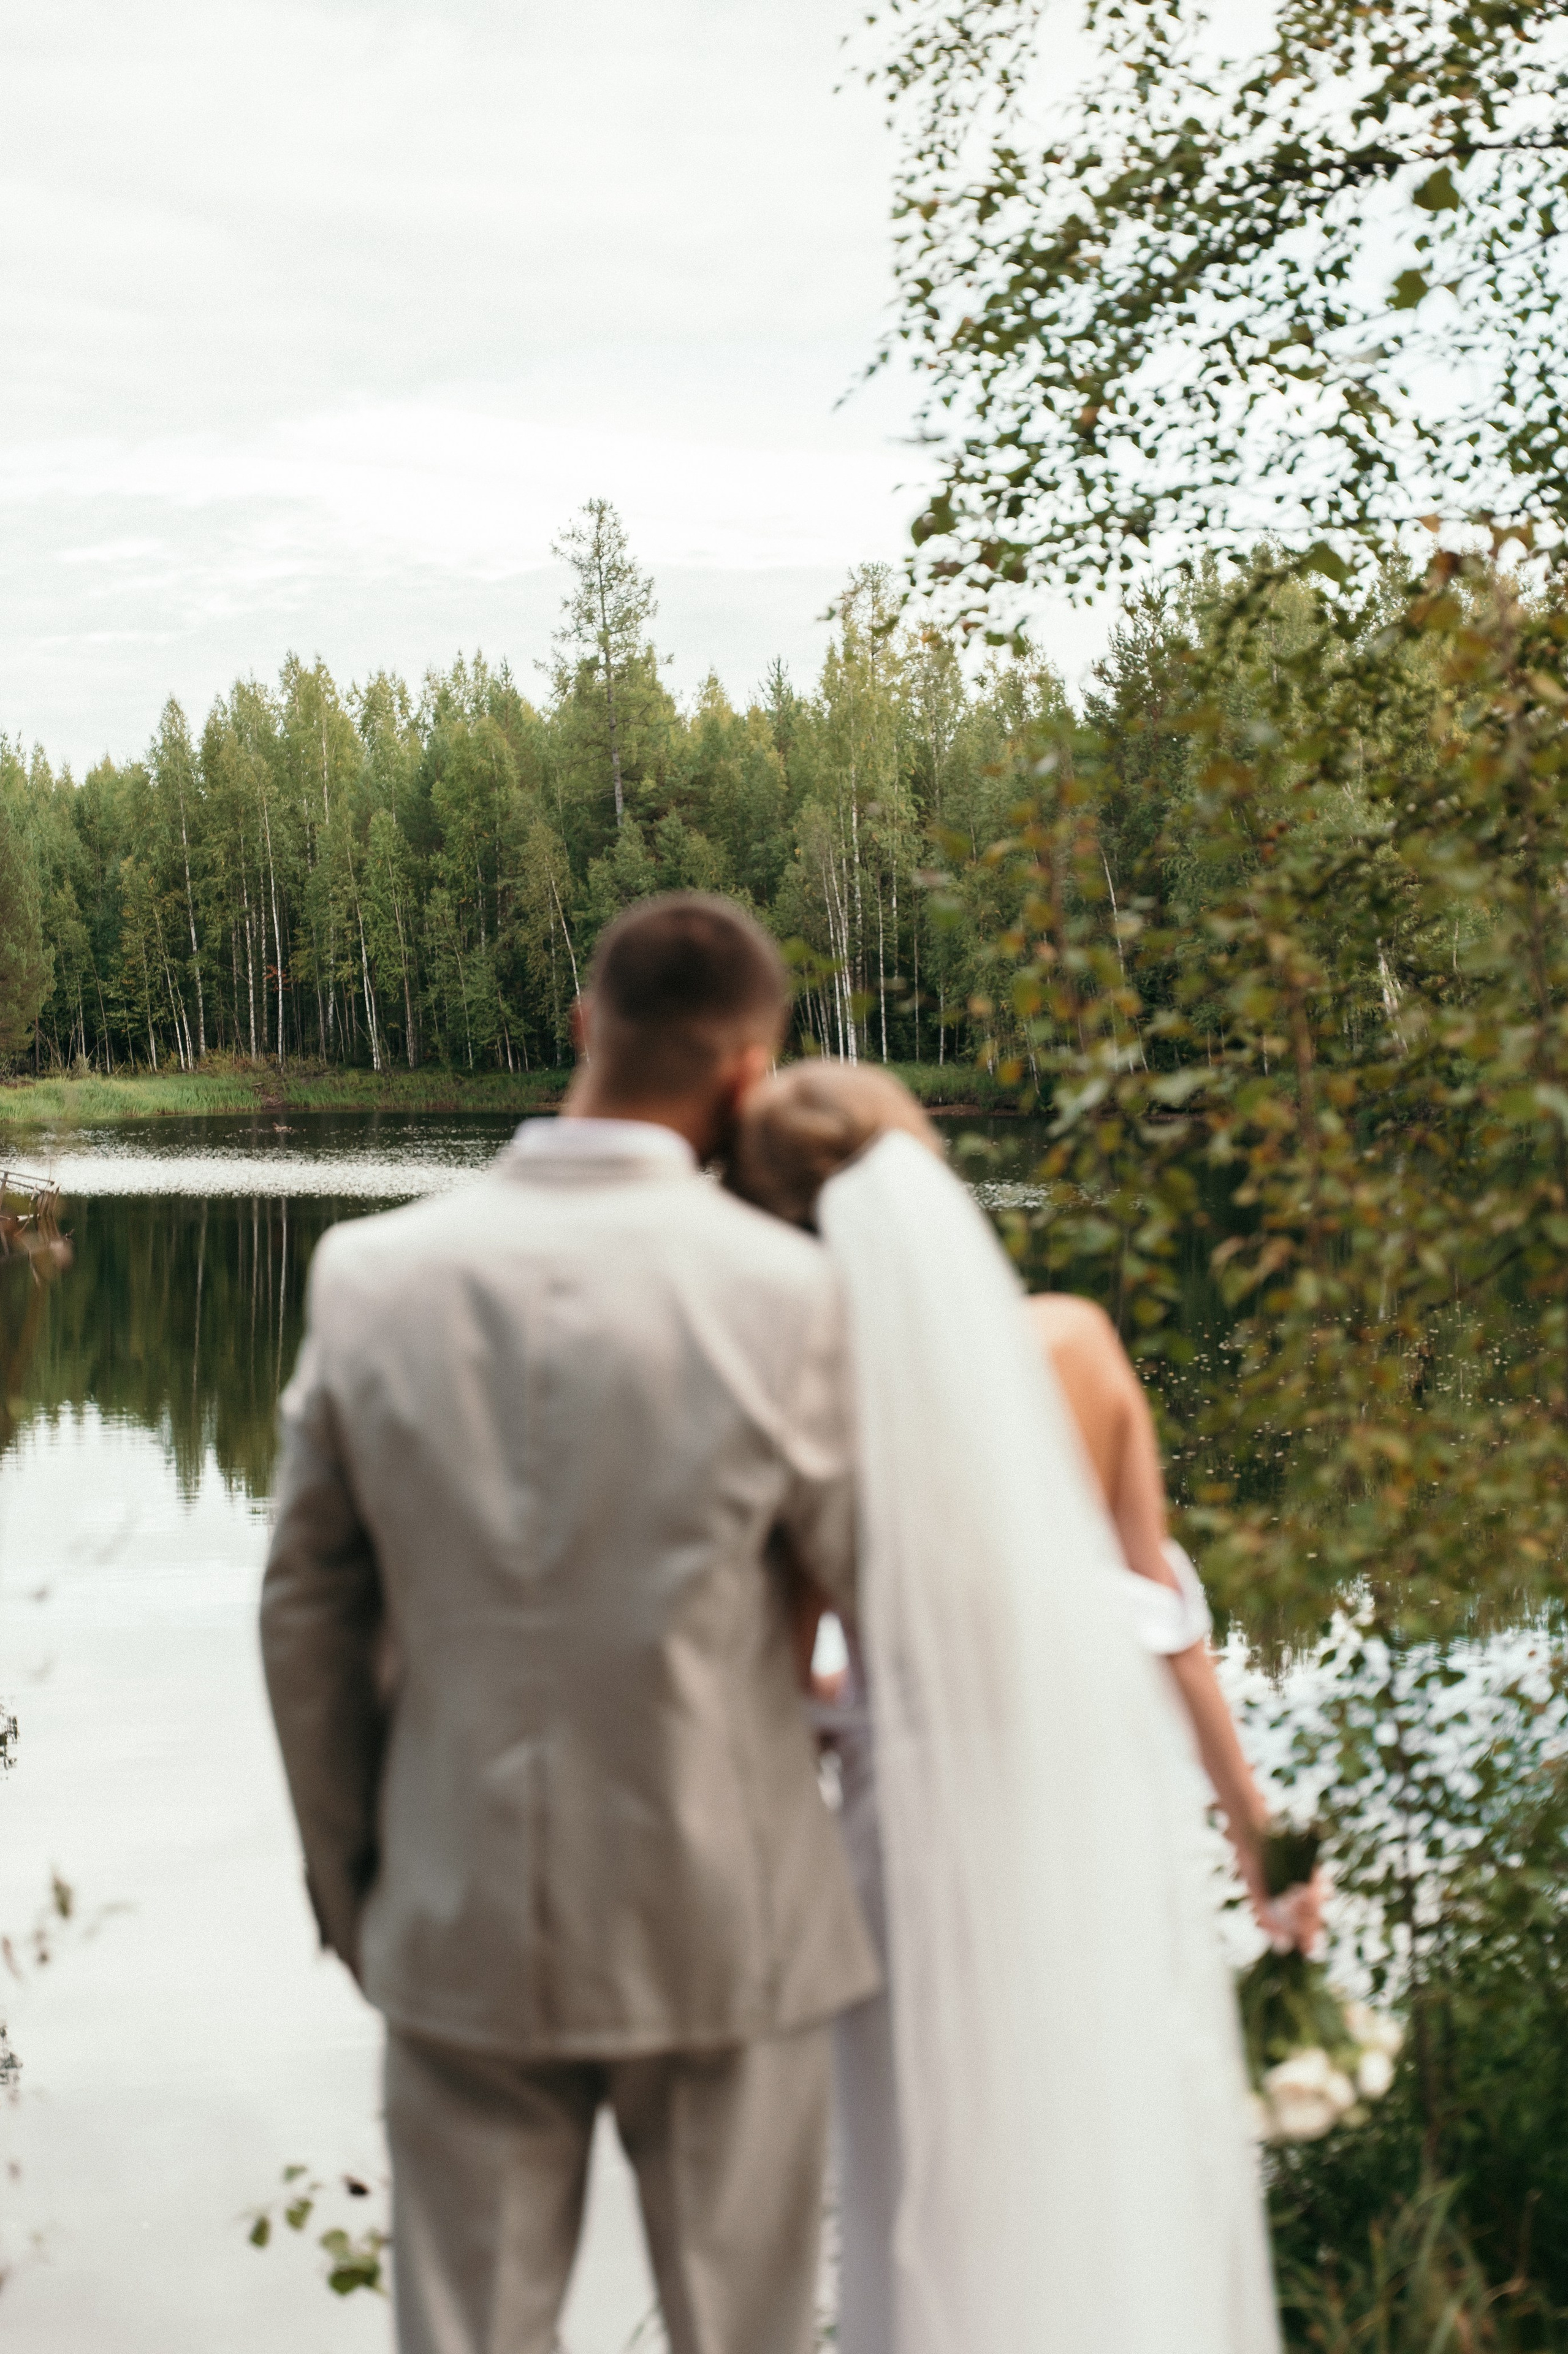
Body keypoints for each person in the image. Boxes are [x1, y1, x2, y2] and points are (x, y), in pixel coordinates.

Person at [260, 896, 880, 2354]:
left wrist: (358, 1883)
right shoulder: (788, 1296)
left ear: (583, 1028)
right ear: (747, 1074)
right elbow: (888, 1603)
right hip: (727, 1928)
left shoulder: (368, 1274)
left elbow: (302, 1616)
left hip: (456, 1911)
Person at [729, 1060, 1300, 2354]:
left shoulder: (798, 1399)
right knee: (1101, 2162)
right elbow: (1169, 1631)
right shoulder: (1077, 1345)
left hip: (910, 1843)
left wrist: (857, 1705)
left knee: (924, 2197)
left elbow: (777, 1678)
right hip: (1084, 1823)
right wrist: (1252, 1834)